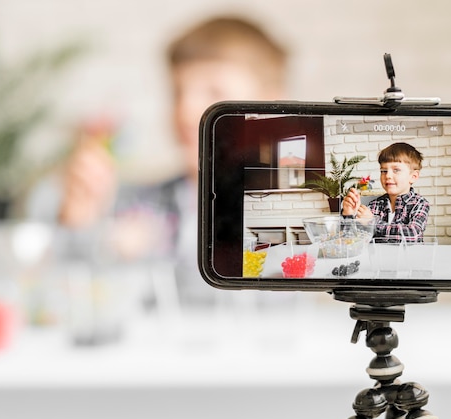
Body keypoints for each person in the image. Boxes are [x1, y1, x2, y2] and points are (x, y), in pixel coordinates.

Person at [39, 16, 287, 305]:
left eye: (214, 93)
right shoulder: (135, 206)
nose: (185, 110)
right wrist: (80, 223)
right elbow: (67, 298)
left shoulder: (297, 213)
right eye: (178, 92)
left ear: (272, 108)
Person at [341, 142, 430, 243]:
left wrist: (372, 222)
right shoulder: (374, 205)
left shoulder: (419, 203)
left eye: (396, 170)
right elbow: (351, 240)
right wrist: (348, 215)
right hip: (378, 258)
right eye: (383, 171)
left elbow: (412, 235)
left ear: (413, 176)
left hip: (408, 258)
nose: (387, 176)